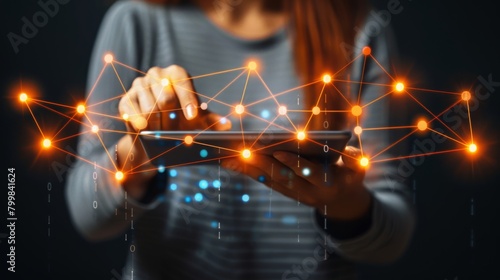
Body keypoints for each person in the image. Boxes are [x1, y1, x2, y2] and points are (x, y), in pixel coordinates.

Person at [65, 0, 415, 279]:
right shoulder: (136, 20)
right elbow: (87, 214)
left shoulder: (357, 27)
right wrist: (139, 154)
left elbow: (392, 241)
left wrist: (344, 204)